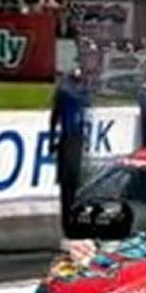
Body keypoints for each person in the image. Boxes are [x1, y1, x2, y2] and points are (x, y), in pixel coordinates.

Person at [50, 68, 90, 246]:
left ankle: (70, 226)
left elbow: (55, 117)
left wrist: (52, 138)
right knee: (72, 188)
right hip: (72, 141)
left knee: (69, 188)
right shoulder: (78, 93)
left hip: (70, 141)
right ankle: (71, 227)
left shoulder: (66, 92)